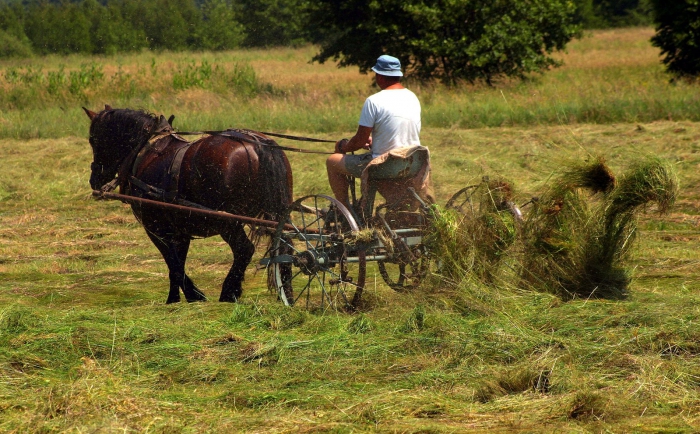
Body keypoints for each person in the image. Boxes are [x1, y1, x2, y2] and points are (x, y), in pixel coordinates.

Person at [326, 54, 422, 207]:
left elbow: (359, 141)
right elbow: (399, 131)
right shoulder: (412, 97)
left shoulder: (374, 101)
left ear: (380, 76)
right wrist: (375, 140)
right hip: (413, 161)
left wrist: (343, 147)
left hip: (386, 165)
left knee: (332, 161)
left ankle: (343, 208)